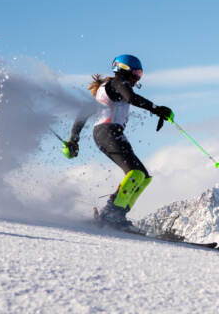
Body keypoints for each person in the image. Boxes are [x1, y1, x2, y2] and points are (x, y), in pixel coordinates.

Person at [66, 54, 173, 228]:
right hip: (107, 132)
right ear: (124, 70)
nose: (137, 78)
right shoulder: (118, 82)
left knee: (143, 177)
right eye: (136, 73)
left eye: (140, 74)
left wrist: (74, 139)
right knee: (135, 173)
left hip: (110, 133)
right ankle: (112, 213)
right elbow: (131, 98)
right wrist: (156, 109)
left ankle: (119, 213)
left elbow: (83, 114)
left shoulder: (108, 87)